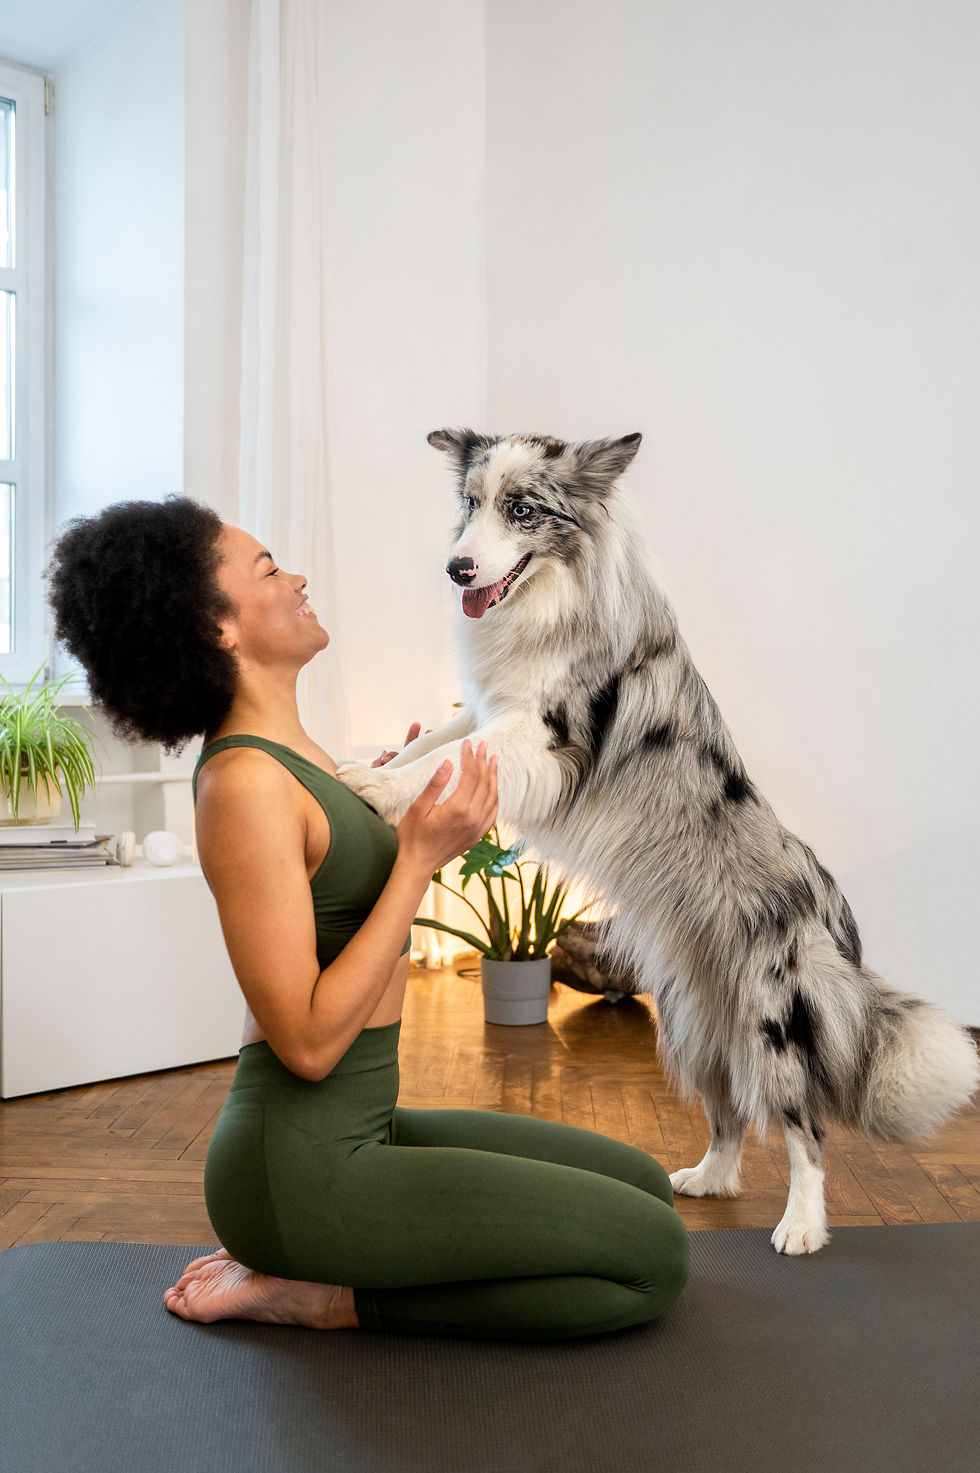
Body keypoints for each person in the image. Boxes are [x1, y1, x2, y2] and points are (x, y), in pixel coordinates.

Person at [47, 494, 689, 1340]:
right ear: (217, 630)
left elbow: (340, 892)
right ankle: (325, 1296)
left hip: (368, 1124)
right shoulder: (241, 786)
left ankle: (326, 1269)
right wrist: (417, 861)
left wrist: (404, 798)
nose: (299, 577)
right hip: (303, 1168)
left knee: (642, 1182)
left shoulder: (304, 760)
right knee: (654, 1257)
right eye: (270, 570)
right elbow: (307, 1042)